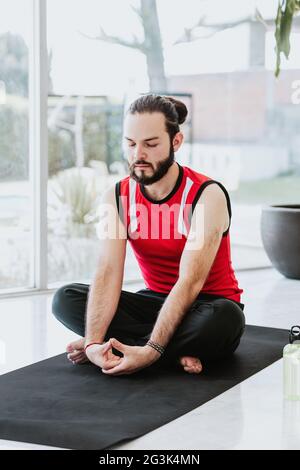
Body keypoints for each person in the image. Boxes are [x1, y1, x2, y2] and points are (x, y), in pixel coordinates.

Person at [52, 94, 245, 376]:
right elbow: (107, 270)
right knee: (65, 298)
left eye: (151, 144)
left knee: (224, 320)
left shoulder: (206, 194)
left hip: (207, 305)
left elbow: (190, 282)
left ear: (175, 142)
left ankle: (138, 347)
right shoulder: (117, 196)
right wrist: (93, 342)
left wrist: (152, 350)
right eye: (130, 144)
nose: (138, 155)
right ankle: (172, 350)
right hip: (154, 302)